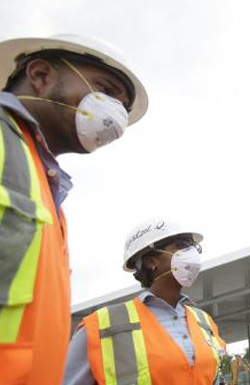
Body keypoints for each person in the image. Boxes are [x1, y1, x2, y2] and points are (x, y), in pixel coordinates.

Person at [0, 34, 147, 383]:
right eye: (105, 90)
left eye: (122, 108)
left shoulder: (44, 187)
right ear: (40, 74)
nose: (115, 115)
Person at [63, 219, 226, 384]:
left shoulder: (205, 322)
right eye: (181, 245)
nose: (191, 253)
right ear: (151, 262)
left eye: (193, 247)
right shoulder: (101, 326)